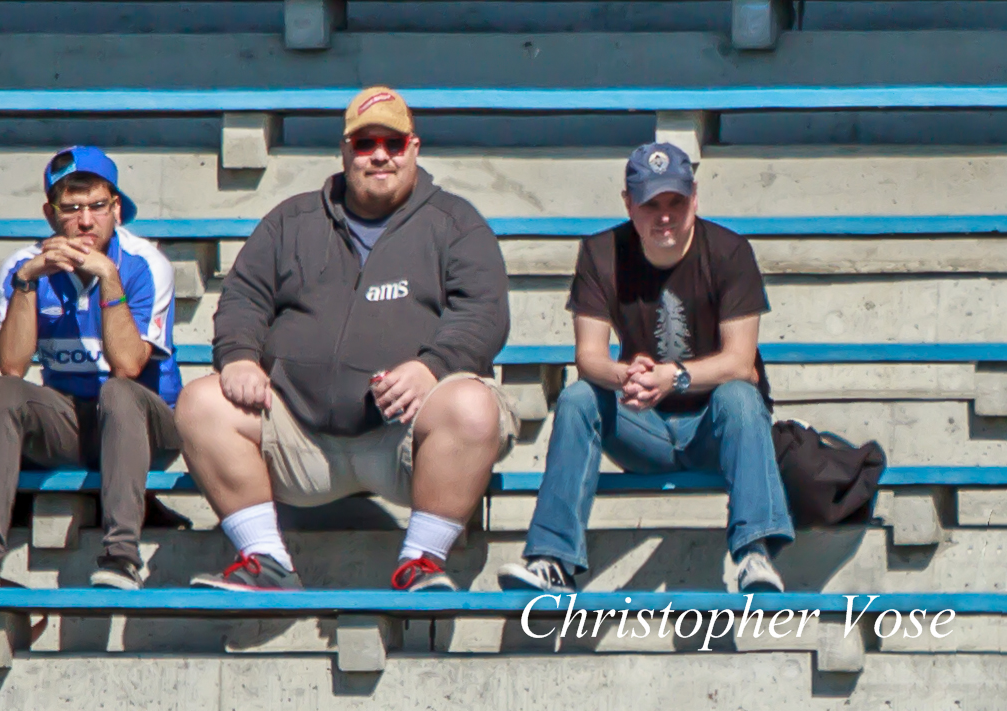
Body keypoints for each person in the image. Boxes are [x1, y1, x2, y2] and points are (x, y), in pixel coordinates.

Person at [176, 86, 520, 592]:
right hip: (300, 438)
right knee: (200, 402)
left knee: (471, 403)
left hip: (403, 442)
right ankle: (266, 561)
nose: (379, 154)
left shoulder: (455, 223)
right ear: (344, 151)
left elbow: (485, 312)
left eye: (393, 143)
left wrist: (431, 367)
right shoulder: (290, 221)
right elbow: (244, 299)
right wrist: (240, 358)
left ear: (414, 149)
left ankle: (421, 562)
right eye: (364, 143)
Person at [497, 142, 794, 594]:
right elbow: (589, 357)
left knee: (739, 396)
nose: (665, 216)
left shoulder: (729, 251)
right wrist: (626, 375)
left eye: (676, 201)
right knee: (579, 396)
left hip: (714, 430)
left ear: (694, 198)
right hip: (643, 425)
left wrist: (673, 376)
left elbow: (741, 364)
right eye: (650, 203)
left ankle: (754, 554)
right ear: (628, 204)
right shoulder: (600, 253)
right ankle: (551, 559)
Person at [0, 146, 183, 591]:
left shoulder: (145, 264)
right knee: (3, 391)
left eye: (98, 206)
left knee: (118, 392)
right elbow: (11, 364)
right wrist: (27, 282)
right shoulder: (23, 267)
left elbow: (127, 365)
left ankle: (121, 556)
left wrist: (109, 279)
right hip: (74, 421)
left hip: (146, 425)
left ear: (116, 208)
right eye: (72, 208)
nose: (85, 221)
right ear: (51, 214)